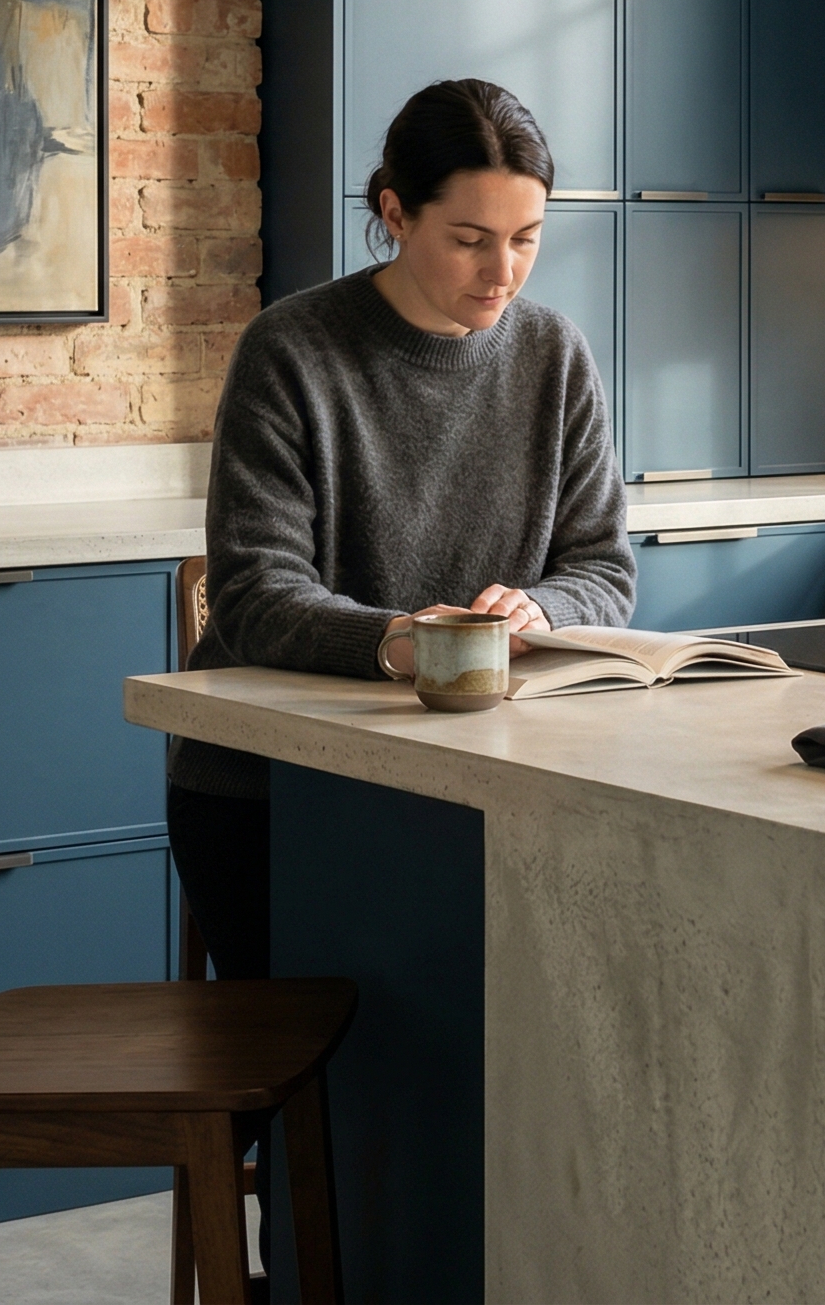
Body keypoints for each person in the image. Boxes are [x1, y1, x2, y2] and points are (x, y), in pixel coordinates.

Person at [166, 76, 636, 979]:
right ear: (394, 212)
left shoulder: (555, 355)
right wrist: (404, 645)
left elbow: (603, 569)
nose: (502, 272)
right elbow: (255, 596)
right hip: (275, 793)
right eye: (469, 240)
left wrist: (540, 609)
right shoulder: (291, 350)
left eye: (525, 240)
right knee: (351, 1077)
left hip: (478, 779)